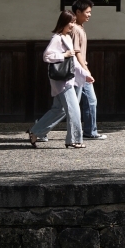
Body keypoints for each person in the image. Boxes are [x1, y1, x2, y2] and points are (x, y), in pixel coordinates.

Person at [28, 10, 94, 148]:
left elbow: (74, 61)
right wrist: (63, 55)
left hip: (67, 79)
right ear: (63, 22)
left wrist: (85, 74)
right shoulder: (57, 38)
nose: (72, 25)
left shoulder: (68, 38)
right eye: (70, 22)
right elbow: (47, 56)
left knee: (59, 110)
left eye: (73, 22)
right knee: (74, 110)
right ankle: (74, 140)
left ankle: (35, 131)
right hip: (62, 81)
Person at [71, 0, 106, 140]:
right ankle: (90, 131)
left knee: (66, 105)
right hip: (78, 70)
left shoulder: (79, 27)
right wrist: (86, 70)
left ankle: (39, 129)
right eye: (87, 12)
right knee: (88, 101)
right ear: (78, 12)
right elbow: (76, 51)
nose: (89, 15)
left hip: (79, 69)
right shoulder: (74, 28)